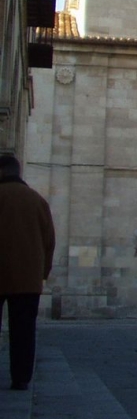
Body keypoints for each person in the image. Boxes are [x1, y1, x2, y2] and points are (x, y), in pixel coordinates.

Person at [0, 154, 56, 391]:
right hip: (28, 279)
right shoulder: (38, 201)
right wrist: (43, 272)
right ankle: (21, 378)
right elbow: (49, 241)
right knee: (24, 331)